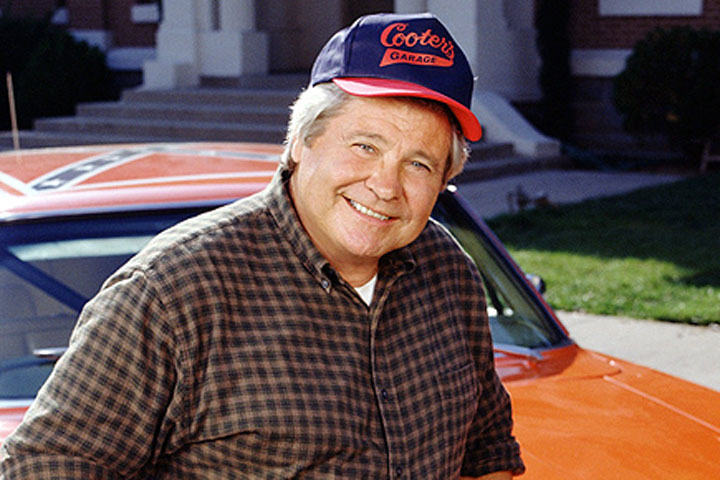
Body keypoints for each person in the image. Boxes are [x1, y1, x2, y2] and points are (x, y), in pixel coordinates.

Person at [0, 12, 524, 479]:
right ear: (301, 142)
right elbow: (42, 465)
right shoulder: (174, 291)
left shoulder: (448, 271)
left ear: (444, 179)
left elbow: (486, 449)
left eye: (419, 164)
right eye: (365, 146)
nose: (386, 186)